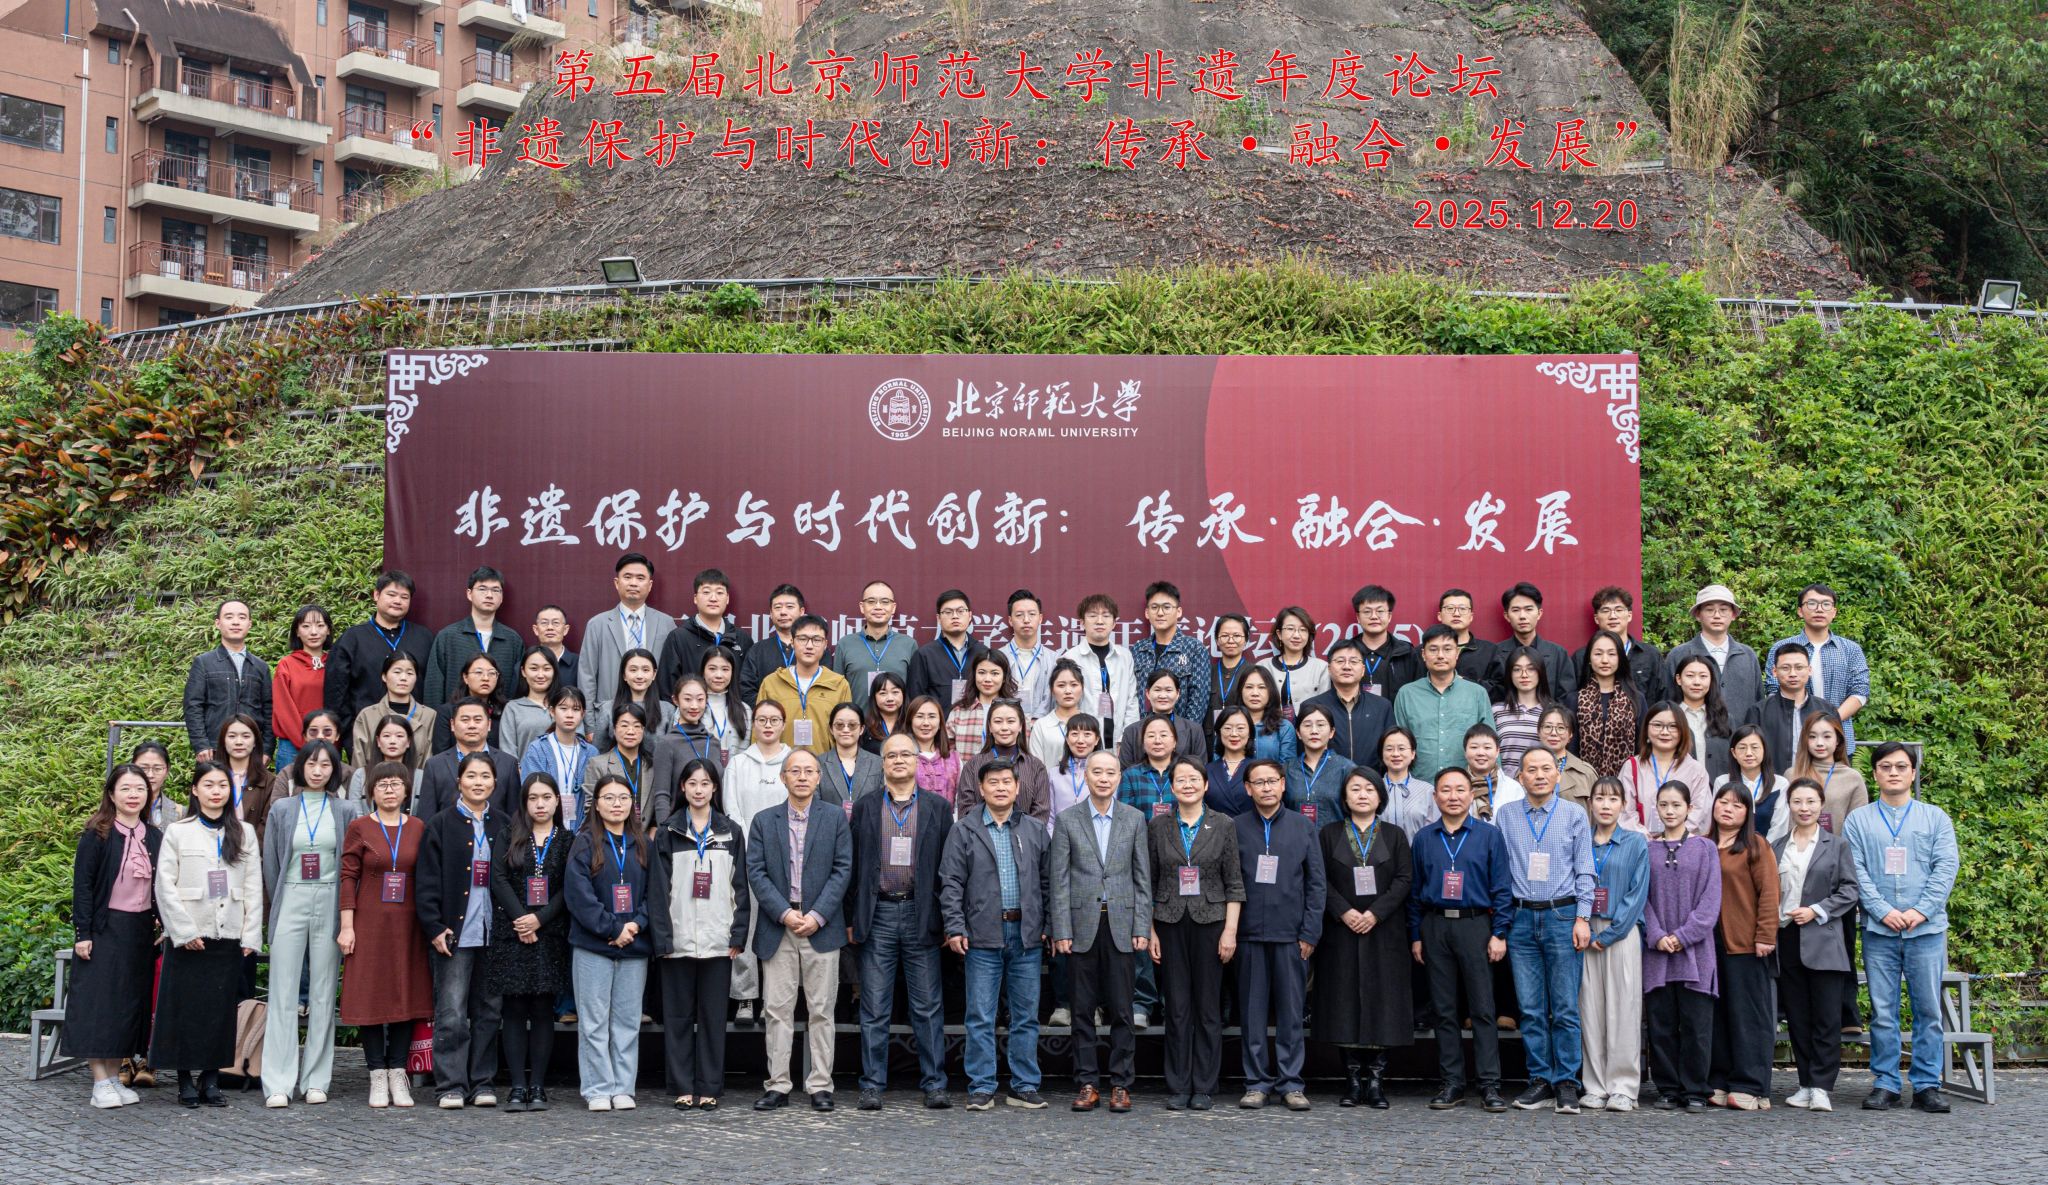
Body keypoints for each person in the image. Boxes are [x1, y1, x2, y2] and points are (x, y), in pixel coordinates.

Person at [1846, 742, 1958, 1113]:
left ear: (1913, 773)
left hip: (1926, 931)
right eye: (1885, 766)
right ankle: (1886, 1083)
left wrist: (1921, 911)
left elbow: (1946, 868)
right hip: (1879, 931)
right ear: (1875, 773)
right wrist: (1881, 910)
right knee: (1883, 1011)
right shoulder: (1858, 821)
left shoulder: (1935, 818)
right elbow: (1855, 870)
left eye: (1900, 766)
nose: (1893, 772)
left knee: (1928, 1010)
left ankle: (1927, 1084)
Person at [848, 733, 955, 1110]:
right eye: (891, 755)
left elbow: (948, 869)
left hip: (920, 913)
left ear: (916, 762)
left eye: (905, 755)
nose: (898, 760)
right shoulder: (865, 806)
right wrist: (852, 917)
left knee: (927, 1006)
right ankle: (871, 1084)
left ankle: (935, 1083)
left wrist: (946, 919)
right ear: (882, 763)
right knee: (875, 1006)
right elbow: (854, 866)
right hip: (877, 913)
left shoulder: (939, 808)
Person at [941, 757, 1051, 1111]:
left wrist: (1048, 926)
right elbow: (951, 883)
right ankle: (982, 1086)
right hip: (982, 933)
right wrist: (955, 926)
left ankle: (1024, 1085)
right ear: (981, 789)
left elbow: (1048, 882)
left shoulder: (1035, 829)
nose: (1001, 787)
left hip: (1026, 934)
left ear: (1018, 788)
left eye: (1007, 782)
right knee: (980, 1015)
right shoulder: (964, 829)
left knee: (1026, 1015)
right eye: (993, 782)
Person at [747, 750, 853, 1112]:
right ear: (783, 778)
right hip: (779, 926)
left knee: (822, 1010)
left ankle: (820, 1085)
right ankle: (778, 1085)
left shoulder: (835, 818)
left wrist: (818, 915)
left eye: (809, 771)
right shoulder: (764, 821)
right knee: (777, 1010)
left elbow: (843, 869)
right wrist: (784, 913)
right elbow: (756, 872)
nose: (803, 777)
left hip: (821, 926)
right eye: (795, 771)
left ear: (819, 777)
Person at [153, 763, 263, 1108]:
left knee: (220, 1012)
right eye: (209, 785)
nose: (216, 791)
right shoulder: (178, 831)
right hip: (190, 934)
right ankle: (185, 1079)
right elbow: (164, 885)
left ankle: (211, 1078)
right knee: (184, 1009)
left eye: (222, 785)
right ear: (195, 790)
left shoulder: (244, 832)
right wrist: (183, 931)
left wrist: (250, 935)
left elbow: (253, 885)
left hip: (228, 932)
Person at [1050, 749, 1152, 1113]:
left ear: (1119, 778)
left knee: (1123, 1010)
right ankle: (1087, 1082)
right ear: (1086, 775)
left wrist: (1142, 925)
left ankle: (1121, 1084)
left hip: (1121, 924)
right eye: (1097, 772)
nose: (1104, 778)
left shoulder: (1134, 819)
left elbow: (1142, 878)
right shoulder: (1068, 820)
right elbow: (1059, 880)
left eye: (1111, 772)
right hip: (1081, 926)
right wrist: (1061, 928)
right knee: (1082, 1010)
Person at [258, 741, 360, 1107]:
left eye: (326, 765)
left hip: (330, 898)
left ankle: (317, 1079)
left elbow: (350, 864)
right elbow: (271, 862)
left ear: (335, 771)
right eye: (312, 764)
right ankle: (278, 1082)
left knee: (322, 991)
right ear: (300, 767)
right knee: (282, 992)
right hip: (292, 893)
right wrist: (281, 899)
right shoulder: (282, 808)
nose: (318, 771)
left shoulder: (345, 809)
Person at [1496, 747, 1595, 1113]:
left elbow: (1585, 869)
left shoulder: (1574, 814)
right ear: (1520, 777)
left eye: (1546, 769)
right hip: (1521, 919)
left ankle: (1567, 1081)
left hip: (1562, 916)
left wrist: (1583, 917)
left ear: (1557, 774)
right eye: (1531, 770)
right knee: (1531, 1008)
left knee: (1565, 1006)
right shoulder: (1506, 815)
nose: (1539, 775)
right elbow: (1500, 870)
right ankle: (1539, 1079)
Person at [1408, 766, 1512, 1112]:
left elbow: (1502, 888)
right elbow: (1415, 893)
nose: (1453, 797)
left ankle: (1490, 1084)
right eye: (1446, 790)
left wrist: (1499, 933)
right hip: (1435, 926)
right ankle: (1452, 1082)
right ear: (1435, 796)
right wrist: (1416, 935)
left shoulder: (1488, 835)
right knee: (1444, 1009)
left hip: (1475, 925)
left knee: (1482, 1008)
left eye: (1459, 790)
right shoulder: (1424, 838)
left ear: (1471, 795)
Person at [649, 760, 750, 1110]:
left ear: (715, 788)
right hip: (677, 941)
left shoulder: (730, 832)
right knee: (677, 1019)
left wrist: (738, 934)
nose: (698, 789)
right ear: (682, 787)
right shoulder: (668, 832)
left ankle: (709, 1087)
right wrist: (662, 938)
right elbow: (657, 891)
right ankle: (681, 1085)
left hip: (718, 941)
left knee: (712, 1019)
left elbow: (741, 888)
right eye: (692, 783)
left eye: (705, 783)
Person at [1148, 753, 1245, 1110]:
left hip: (1211, 923)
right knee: (1176, 1007)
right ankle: (1178, 1085)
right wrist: (1150, 930)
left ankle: (1204, 1085)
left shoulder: (1224, 824)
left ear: (1205, 785)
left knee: (1207, 1007)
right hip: (1169, 922)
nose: (1187, 785)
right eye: (1180, 780)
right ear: (1171, 787)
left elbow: (1234, 882)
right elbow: (1149, 882)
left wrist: (1230, 931)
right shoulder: (1158, 826)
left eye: (1194, 779)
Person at [1314, 767, 1413, 1109]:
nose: (1362, 795)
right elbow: (1320, 880)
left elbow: (1404, 879)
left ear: (1379, 796)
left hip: (1383, 931)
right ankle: (1353, 1081)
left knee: (1381, 1003)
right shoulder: (1328, 834)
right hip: (1341, 931)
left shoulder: (1394, 835)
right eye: (1355, 789)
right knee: (1344, 1003)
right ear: (1344, 797)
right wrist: (1344, 911)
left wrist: (1375, 913)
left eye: (1369, 789)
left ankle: (1376, 1082)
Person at [415, 752, 508, 1109]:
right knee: (452, 1012)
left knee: (488, 1012)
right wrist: (434, 926)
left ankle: (483, 1082)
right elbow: (426, 881)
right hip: (454, 933)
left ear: (495, 783)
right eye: (471, 776)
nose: (478, 782)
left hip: (492, 933)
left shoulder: (504, 824)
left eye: (485, 776)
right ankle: (450, 1085)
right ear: (459, 781)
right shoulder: (440, 824)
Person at [66, 765, 162, 1109]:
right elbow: (83, 887)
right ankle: (99, 1081)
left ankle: (112, 1078)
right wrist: (83, 932)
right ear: (111, 794)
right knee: (100, 1005)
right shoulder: (97, 834)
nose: (133, 795)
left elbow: (162, 886)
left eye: (140, 789)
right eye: (125, 788)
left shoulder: (154, 836)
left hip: (139, 931)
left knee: (127, 1006)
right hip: (104, 929)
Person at [337, 762, 432, 1110]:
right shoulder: (360, 827)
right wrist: (347, 925)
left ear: (407, 790)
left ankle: (398, 1072)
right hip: (369, 923)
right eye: (382, 784)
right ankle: (377, 1073)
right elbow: (348, 876)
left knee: (406, 996)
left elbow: (428, 876)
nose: (389, 790)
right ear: (371, 791)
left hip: (409, 925)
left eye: (395, 784)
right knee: (371, 997)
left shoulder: (418, 827)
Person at [1233, 756, 1324, 1111]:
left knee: (1290, 1013)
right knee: (1252, 1015)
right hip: (1249, 935)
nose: (1266, 788)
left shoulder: (1303, 826)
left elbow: (1316, 884)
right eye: (1259, 782)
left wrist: (1310, 932)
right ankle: (1256, 1083)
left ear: (1283, 785)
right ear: (1248, 788)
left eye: (1272, 781)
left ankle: (1291, 1083)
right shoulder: (1236, 827)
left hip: (1291, 935)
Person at [486, 772, 573, 1113]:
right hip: (512, 933)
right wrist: (522, 918)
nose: (540, 804)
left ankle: (537, 1085)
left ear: (557, 801)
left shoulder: (566, 840)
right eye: (533, 798)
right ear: (524, 802)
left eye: (546, 797)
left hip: (549, 934)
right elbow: (498, 878)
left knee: (541, 1010)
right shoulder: (509, 835)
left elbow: (568, 887)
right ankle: (517, 1086)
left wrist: (540, 919)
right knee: (513, 1009)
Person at [564, 773, 652, 1111]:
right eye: (609, 798)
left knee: (627, 1021)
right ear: (596, 805)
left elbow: (655, 894)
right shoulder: (584, 843)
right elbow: (579, 895)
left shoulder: (643, 844)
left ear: (632, 805)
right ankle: (598, 1088)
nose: (617, 804)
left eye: (623, 798)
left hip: (634, 944)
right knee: (594, 1021)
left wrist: (636, 924)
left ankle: (623, 1087)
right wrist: (612, 928)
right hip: (593, 945)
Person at [1772, 776, 1859, 1113]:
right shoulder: (1778, 846)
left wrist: (1817, 910)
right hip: (1787, 937)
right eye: (1797, 801)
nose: (1804, 808)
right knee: (1798, 1016)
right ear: (1789, 805)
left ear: (1821, 804)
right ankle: (1805, 1083)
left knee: (1825, 1016)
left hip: (1823, 938)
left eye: (1810, 801)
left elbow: (1850, 890)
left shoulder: (1836, 845)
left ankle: (1822, 1086)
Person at [1643, 781, 1723, 1112]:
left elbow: (1711, 901)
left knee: (1697, 1026)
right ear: (1656, 808)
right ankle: (1667, 1088)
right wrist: (1657, 934)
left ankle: (1695, 1090)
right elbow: (1641, 898)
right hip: (1657, 952)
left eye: (1677, 804)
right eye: (1664, 805)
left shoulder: (1705, 849)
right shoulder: (1647, 850)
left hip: (1696, 952)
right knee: (1661, 1025)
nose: (1670, 811)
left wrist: (1684, 935)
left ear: (1689, 808)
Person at [1705, 782, 1779, 1110]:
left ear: (1748, 812)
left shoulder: (1755, 846)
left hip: (1746, 943)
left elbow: (1770, 893)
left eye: (1737, 805)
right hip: (1708, 944)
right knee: (1716, 1015)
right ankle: (1719, 1078)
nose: (1728, 808)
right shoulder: (1703, 844)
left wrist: (1765, 935)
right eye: (1723, 802)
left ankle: (1751, 1084)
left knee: (1748, 1015)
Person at [1579, 776, 1648, 1112]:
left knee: (1624, 1008)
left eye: (1613, 799)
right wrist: (1583, 927)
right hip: (1583, 931)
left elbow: (1637, 894)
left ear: (1623, 805)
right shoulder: (1580, 841)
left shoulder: (1635, 843)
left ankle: (1623, 1086)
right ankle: (1594, 1085)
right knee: (1590, 1010)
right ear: (1590, 803)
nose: (1605, 805)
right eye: (1599, 798)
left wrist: (1608, 935)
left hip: (1620, 932)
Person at [724, 700, 792, 1026]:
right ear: (753, 724)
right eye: (762, 719)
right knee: (746, 925)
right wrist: (751, 849)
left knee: (779, 928)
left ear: (783, 724)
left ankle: (772, 999)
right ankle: (745, 998)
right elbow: (732, 810)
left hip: (785, 859)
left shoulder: (793, 761)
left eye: (774, 719)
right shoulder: (739, 763)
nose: (767, 725)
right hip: (747, 857)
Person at [325, 572, 433, 748]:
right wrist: (348, 733)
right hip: (366, 734)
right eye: (391, 594)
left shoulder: (424, 638)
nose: (397, 601)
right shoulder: (353, 638)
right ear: (376, 595)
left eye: (404, 597)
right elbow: (336, 692)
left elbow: (432, 686)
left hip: (415, 735)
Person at [1765, 583, 1872, 751]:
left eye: (1826, 604)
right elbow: (1773, 689)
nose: (1819, 609)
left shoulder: (1851, 649)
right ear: (1800, 611)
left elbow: (1860, 691)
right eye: (1812, 604)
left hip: (1838, 738)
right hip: (1791, 740)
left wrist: (1829, 722)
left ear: (1834, 612)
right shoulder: (1781, 648)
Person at [1393, 625, 1494, 781]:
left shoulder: (1477, 693)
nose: (1440, 655)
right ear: (1423, 654)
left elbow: (1490, 743)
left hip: (1466, 786)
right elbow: (1398, 745)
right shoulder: (1406, 694)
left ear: (1457, 653)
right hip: (1418, 785)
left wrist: (1494, 784)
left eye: (1447, 649)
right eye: (1433, 649)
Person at [578, 552, 676, 708]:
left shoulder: (666, 623)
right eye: (628, 577)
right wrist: (589, 720)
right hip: (610, 711)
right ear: (617, 583)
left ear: (650, 585)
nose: (633, 583)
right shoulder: (597, 624)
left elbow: (673, 673)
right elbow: (587, 675)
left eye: (640, 578)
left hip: (654, 711)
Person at [182, 598, 274, 762]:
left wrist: (267, 749)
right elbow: (193, 706)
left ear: (250, 624)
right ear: (218, 623)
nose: (236, 622)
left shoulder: (260, 667)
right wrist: (201, 745)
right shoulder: (204, 663)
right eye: (229, 617)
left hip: (251, 748)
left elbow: (269, 710)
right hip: (214, 748)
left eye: (242, 617)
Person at [422, 566, 522, 707]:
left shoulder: (513, 640)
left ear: (501, 598)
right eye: (482, 589)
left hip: (500, 718)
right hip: (455, 717)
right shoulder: (448, 637)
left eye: (495, 590)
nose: (489, 595)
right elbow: (434, 685)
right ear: (469, 594)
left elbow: (518, 688)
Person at [758, 614, 852, 757]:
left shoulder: (839, 685)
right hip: (779, 765)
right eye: (802, 639)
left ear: (825, 644)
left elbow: (847, 733)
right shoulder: (771, 683)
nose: (809, 646)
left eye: (816, 640)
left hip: (825, 766)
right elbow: (758, 731)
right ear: (792, 642)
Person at [417, 697, 520, 820]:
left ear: (489, 724)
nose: (471, 725)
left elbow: (515, 816)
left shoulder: (508, 763)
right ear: (452, 725)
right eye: (465, 720)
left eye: (478, 720)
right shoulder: (435, 765)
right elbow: (426, 817)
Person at [656, 568, 749, 701]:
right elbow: (667, 688)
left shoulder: (742, 639)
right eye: (706, 592)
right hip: (691, 712)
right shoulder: (678, 638)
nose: (713, 598)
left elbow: (747, 685)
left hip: (733, 712)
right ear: (695, 598)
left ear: (727, 598)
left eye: (719, 593)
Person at [582, 703, 680, 828]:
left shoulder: (653, 765)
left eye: (637, 726)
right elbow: (591, 809)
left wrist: (654, 830)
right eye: (624, 725)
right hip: (609, 835)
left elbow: (660, 804)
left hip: (645, 835)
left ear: (643, 730)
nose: (630, 731)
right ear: (614, 729)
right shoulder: (597, 764)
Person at [1746, 645, 1840, 777]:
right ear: (1774, 671)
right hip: (1772, 783)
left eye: (1799, 667)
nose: (1793, 674)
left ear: (1809, 670)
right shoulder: (1758, 712)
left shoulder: (1827, 710)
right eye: (1785, 668)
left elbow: (1839, 752)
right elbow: (1749, 753)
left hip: (1819, 782)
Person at [1620, 702, 1712, 835]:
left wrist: (1672, 837)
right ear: (1646, 729)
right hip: (1641, 843)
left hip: (1683, 844)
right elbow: (1624, 812)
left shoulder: (1696, 770)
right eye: (1657, 725)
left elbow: (1700, 813)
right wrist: (1647, 838)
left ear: (1683, 731)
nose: (1664, 732)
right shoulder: (1632, 766)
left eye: (1673, 726)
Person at [956, 699, 1051, 822]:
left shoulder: (1036, 767)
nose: (1004, 727)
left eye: (1011, 721)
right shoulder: (973, 765)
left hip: (1025, 834)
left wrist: (1019, 831)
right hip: (979, 834)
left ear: (1020, 726)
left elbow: (1041, 814)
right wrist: (992, 831)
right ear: (989, 726)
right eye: (998, 721)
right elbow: (966, 811)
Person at [1304, 639, 1394, 769]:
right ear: (1329, 669)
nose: (1347, 666)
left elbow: (1390, 748)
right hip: (1326, 779)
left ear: (1363, 670)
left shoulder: (1382, 707)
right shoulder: (1312, 707)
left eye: (1353, 661)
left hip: (1371, 779)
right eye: (1340, 661)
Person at [1483, 583, 1577, 702]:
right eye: (1516, 610)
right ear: (1507, 616)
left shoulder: (1558, 654)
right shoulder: (1495, 653)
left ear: (1539, 613)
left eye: (1528, 609)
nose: (1522, 616)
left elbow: (1567, 697)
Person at [1132, 581, 1211, 723]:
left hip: (1180, 732)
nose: (1160, 613)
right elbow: (1131, 696)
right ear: (1147, 613)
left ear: (1178, 612)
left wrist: (1185, 732)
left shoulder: (1194, 649)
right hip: (1142, 731)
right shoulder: (1138, 649)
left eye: (1166, 607)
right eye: (1154, 607)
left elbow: (1199, 699)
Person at [1063, 592, 1139, 739]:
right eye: (1092, 615)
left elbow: (1131, 701)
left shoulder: (1125, 657)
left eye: (1106, 615)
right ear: (1082, 622)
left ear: (1114, 623)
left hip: (1119, 739)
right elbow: (1065, 704)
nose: (1099, 621)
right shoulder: (1070, 658)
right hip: (1083, 739)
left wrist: (1127, 739)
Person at [520, 685, 596, 830]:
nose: (569, 715)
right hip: (544, 828)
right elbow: (531, 792)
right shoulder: (538, 749)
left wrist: (583, 833)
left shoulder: (591, 753)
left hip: (583, 830)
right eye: (563, 708)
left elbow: (594, 798)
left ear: (583, 714)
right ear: (552, 711)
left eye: (576, 709)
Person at [1785, 711, 1870, 840]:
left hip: (1837, 850)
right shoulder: (1792, 775)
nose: (1819, 743)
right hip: (1796, 848)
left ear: (1837, 740)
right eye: (1812, 736)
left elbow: (1859, 826)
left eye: (1827, 736)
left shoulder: (1852, 778)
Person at [831, 580, 913, 710]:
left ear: (893, 608)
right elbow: (836, 691)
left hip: (897, 722)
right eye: (871, 601)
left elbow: (913, 692)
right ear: (862, 607)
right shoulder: (845, 644)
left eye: (885, 602)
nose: (878, 607)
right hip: (856, 721)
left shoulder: (908, 644)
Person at [1575, 587, 1663, 706]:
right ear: (1596, 618)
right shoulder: (1581, 657)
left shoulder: (1650, 655)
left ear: (1629, 615)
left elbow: (1662, 698)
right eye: (1606, 610)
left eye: (1619, 610)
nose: (1613, 616)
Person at [349, 652, 436, 771]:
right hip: (373, 781)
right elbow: (359, 761)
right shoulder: (367, 716)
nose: (403, 678)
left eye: (410, 673)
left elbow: (429, 760)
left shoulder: (429, 716)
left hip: (417, 781)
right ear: (384, 676)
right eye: (397, 672)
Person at [1573, 630, 1642, 776]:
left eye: (1611, 654)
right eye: (1598, 654)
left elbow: (1642, 745)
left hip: (1626, 781)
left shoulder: (1635, 699)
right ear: (1589, 658)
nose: (1605, 660)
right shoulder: (1574, 699)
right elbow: (1570, 748)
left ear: (1620, 659)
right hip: (1584, 781)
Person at [907, 588, 989, 709]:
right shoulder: (924, 655)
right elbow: (916, 699)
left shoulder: (983, 652)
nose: (955, 616)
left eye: (960, 611)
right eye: (948, 612)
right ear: (938, 618)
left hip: (975, 720)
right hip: (939, 721)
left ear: (970, 616)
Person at [272, 604, 332, 770]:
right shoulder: (287, 664)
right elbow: (283, 709)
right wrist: (304, 739)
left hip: (328, 743)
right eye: (306, 626)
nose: (313, 632)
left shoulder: (336, 663)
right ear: (297, 632)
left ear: (328, 630)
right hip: (292, 746)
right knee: (290, 786)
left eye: (320, 625)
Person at [587, 648, 675, 751]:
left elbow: (672, 751)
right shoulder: (607, 709)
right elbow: (598, 751)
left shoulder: (667, 709)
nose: (639, 676)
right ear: (624, 675)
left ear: (654, 674)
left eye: (645, 670)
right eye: (633, 670)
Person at [1114, 669, 1208, 765]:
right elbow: (1125, 770)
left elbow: (1200, 768)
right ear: (1147, 693)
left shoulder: (1194, 730)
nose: (1163, 695)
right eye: (1157, 690)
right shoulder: (1131, 731)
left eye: (1168, 690)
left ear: (1177, 693)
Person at [735, 583, 807, 706]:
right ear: (771, 613)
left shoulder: (814, 648)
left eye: (789, 607)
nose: (783, 612)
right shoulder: (757, 650)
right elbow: (746, 690)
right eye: (777, 607)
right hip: (767, 716)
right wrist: (770, 711)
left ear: (801, 611)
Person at [1348, 585, 1421, 704]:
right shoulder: (1346, 652)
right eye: (1367, 612)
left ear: (1389, 616)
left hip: (1395, 716)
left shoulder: (1406, 653)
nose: (1374, 616)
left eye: (1380, 611)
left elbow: (1417, 695)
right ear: (1358, 617)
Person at [1717, 724, 1787, 844]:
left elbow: (1779, 828)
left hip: (1769, 850)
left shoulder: (1780, 784)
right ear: (1734, 752)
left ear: (1764, 750)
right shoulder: (1722, 782)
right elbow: (1719, 823)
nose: (1748, 753)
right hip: (1730, 849)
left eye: (1755, 747)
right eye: (1742, 748)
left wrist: (1762, 851)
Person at [1490, 645, 1554, 777]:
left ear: (1540, 672)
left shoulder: (1552, 713)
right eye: (1517, 669)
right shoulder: (1496, 711)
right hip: (1503, 785)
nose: (1524, 675)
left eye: (1531, 669)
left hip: (1541, 783)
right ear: (1510, 674)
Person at [1284, 704, 1356, 821]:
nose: (1314, 731)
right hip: (1296, 833)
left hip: (1335, 833)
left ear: (1331, 732)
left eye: (1320, 725)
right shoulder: (1287, 769)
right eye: (1307, 725)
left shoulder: (1347, 768)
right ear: (1298, 733)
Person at [1671, 654, 1734, 782]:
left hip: (1719, 791)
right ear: (1678, 679)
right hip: (1678, 790)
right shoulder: (1669, 717)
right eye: (1690, 676)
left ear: (1711, 680)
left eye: (1703, 676)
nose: (1697, 682)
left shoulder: (1725, 718)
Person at [428, 653, 507, 754]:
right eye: (478, 672)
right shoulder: (447, 711)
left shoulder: (505, 710)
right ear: (465, 677)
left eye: (492, 673)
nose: (486, 678)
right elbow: (441, 753)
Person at [1259, 606, 1329, 719]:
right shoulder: (1263, 666)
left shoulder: (1321, 668)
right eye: (1290, 629)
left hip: (1309, 728)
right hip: (1270, 727)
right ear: (1279, 634)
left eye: (1303, 630)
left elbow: (1326, 708)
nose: (1296, 635)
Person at [213, 713, 276, 839]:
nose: (239, 742)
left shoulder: (269, 781)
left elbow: (268, 825)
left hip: (253, 848)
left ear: (255, 742)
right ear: (223, 741)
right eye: (232, 736)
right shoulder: (210, 777)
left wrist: (249, 847)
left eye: (246, 736)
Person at [947, 650, 1017, 760]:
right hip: (966, 771)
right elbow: (947, 753)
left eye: (995, 673)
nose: (987, 679)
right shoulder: (958, 712)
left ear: (1004, 677)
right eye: (982, 672)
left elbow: (1024, 752)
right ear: (974, 675)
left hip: (1004, 771)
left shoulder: (1015, 711)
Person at [1001, 589, 1060, 719]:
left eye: (1032, 614)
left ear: (1040, 618)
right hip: (1006, 726)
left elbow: (1054, 698)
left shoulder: (1054, 659)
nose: (1026, 620)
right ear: (1010, 620)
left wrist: (1037, 721)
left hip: (1044, 726)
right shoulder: (999, 657)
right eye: (1019, 615)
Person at [499, 647, 562, 762]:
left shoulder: (565, 706)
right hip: (526, 773)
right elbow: (508, 752)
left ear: (554, 671)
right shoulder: (513, 708)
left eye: (547, 669)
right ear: (523, 671)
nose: (540, 675)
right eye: (534, 668)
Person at [1028, 659, 1088, 770]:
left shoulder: (1091, 724)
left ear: (1082, 687)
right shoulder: (1041, 726)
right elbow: (1035, 769)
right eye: (1061, 685)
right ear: (1052, 689)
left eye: (1074, 685)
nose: (1068, 691)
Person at [1231, 666, 1298, 765]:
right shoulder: (1228, 724)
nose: (1255, 693)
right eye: (1249, 687)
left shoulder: (1284, 727)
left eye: (1262, 687)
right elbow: (1220, 765)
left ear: (1270, 691)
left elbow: (1287, 768)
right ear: (1240, 690)